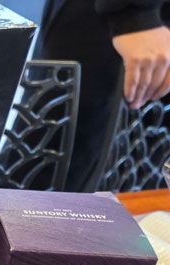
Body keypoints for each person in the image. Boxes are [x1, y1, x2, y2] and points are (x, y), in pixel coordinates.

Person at [38, 0, 170, 190]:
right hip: (121, 24)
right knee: (59, 191)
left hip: (151, 26)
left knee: (149, 190)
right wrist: (134, 16)